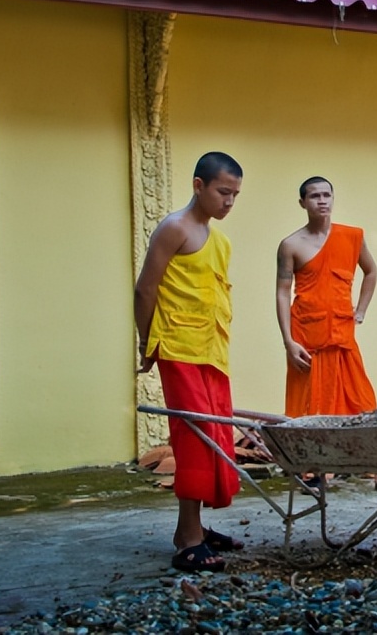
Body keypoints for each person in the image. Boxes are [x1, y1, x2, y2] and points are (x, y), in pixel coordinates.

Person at [134, 152, 244, 573]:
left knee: (216, 435)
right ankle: (187, 540)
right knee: (195, 438)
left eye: (235, 195)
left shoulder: (220, 240)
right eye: (223, 192)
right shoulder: (174, 228)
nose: (229, 202)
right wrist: (147, 345)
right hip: (179, 349)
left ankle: (195, 525)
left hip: (212, 349)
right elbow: (146, 289)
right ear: (198, 186)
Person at [276, 176, 377, 416]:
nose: (322, 201)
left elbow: (371, 271)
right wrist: (288, 341)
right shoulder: (290, 245)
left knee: (359, 400)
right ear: (302, 203)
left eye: (326, 195)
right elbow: (282, 292)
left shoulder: (352, 237)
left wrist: (361, 311)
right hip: (306, 335)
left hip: (342, 332)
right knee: (308, 404)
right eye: (314, 196)